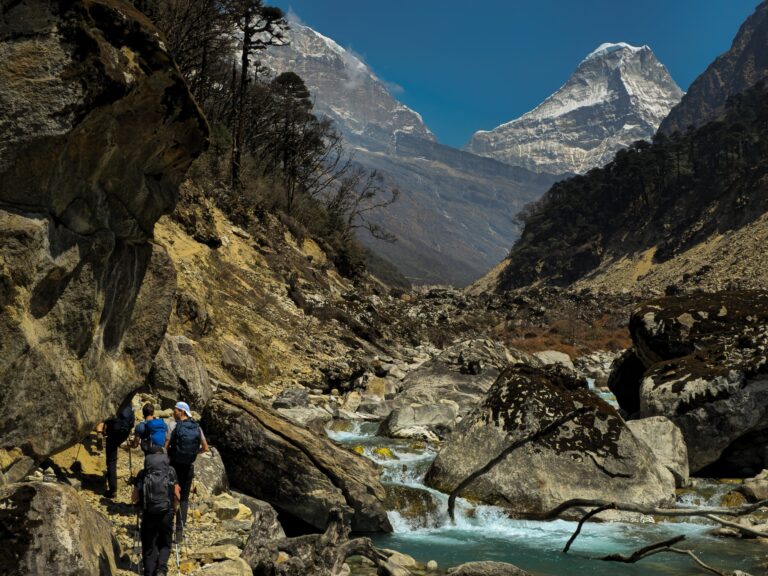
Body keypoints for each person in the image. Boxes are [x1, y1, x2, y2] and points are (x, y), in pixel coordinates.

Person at [132, 446, 180, 576]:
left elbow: (134, 497)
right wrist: (175, 508)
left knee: (148, 545)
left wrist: (139, 503)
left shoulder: (142, 473)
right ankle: (161, 569)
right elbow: (177, 494)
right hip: (166, 512)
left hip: (148, 513)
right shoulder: (170, 471)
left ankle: (149, 572)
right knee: (165, 542)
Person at [165, 401, 208, 539]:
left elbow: (166, 447)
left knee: (171, 495)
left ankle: (167, 528)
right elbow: (205, 448)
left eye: (176, 410)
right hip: (188, 467)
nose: (173, 412)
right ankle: (179, 531)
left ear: (182, 412)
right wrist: (194, 453)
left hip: (174, 467)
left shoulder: (174, 426)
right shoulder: (197, 427)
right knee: (184, 499)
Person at [96, 396, 135, 498]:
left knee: (111, 460)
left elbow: (106, 413)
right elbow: (132, 420)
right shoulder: (128, 401)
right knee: (114, 449)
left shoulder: (113, 398)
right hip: (124, 432)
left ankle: (113, 490)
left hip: (113, 431)